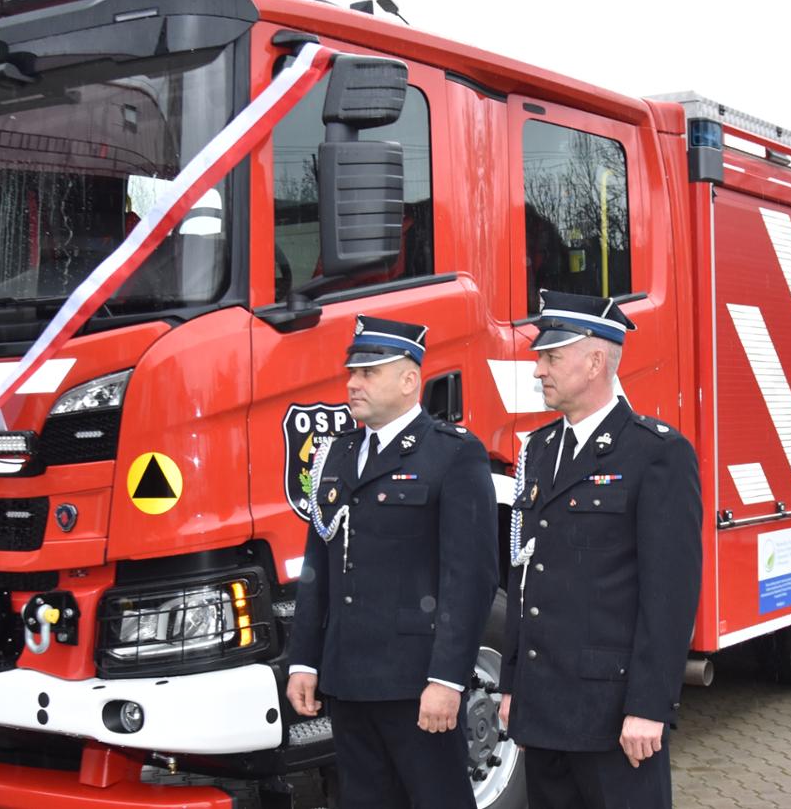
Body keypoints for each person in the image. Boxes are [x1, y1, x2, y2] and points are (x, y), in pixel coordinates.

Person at [498, 291, 703, 809]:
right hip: (545, 708)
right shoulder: (540, 451)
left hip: (613, 715)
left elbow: (669, 595)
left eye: (551, 356)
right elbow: (526, 575)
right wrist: (513, 684)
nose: (537, 369)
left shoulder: (655, 453)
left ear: (594, 362)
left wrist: (650, 706)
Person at [286, 314, 498, 809]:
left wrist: (447, 680)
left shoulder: (452, 454)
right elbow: (317, 567)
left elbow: (470, 578)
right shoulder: (336, 455)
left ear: (409, 381)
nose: (352, 384)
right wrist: (304, 661)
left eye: (368, 373)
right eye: (352, 373)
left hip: (416, 683)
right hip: (348, 678)